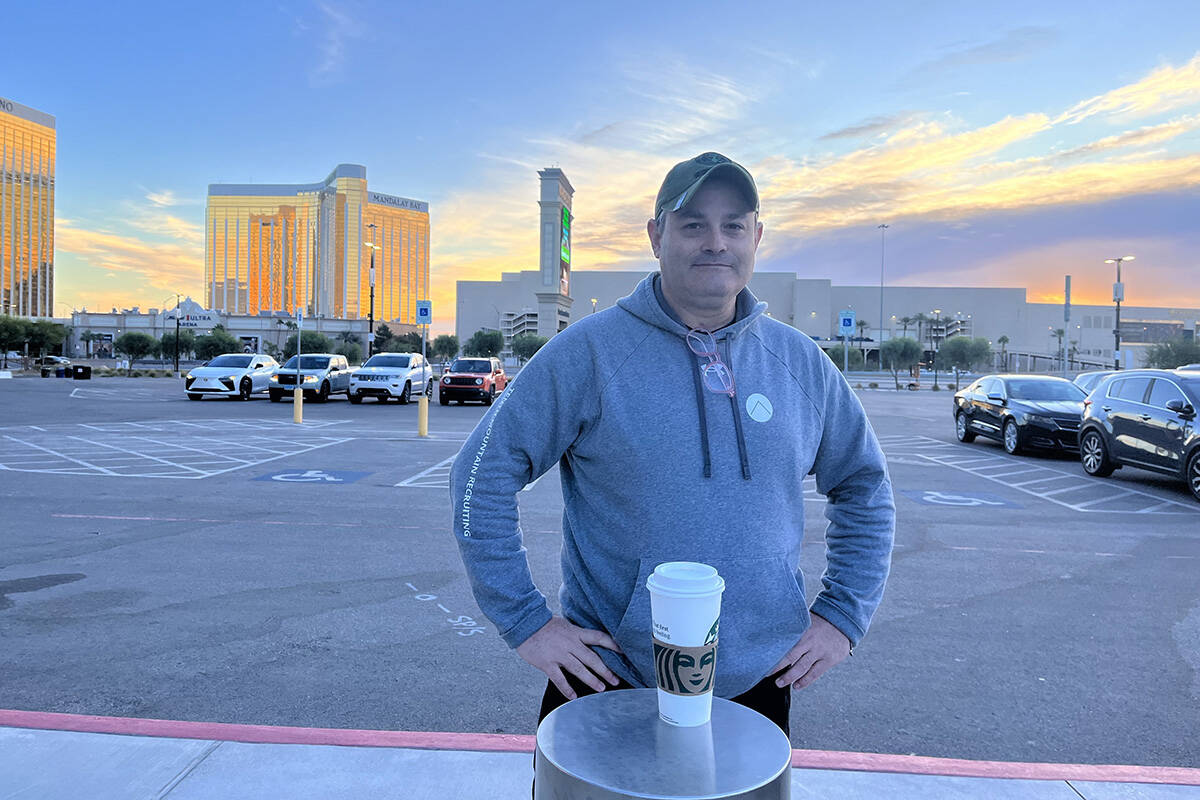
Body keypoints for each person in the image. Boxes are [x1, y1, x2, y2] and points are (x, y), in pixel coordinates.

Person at [450, 152, 894, 737]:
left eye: (733, 225)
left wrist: (842, 616)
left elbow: (864, 485)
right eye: (693, 224)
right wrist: (526, 622)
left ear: (756, 237)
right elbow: (481, 474)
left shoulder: (799, 364)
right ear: (656, 236)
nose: (716, 242)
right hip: (607, 676)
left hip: (760, 681)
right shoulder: (591, 353)